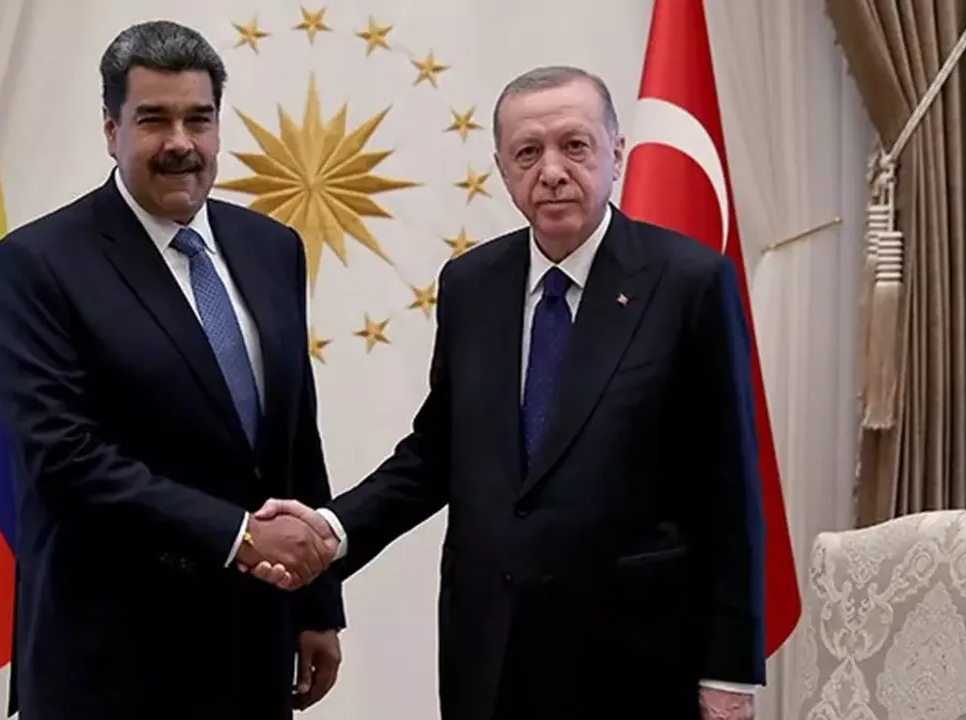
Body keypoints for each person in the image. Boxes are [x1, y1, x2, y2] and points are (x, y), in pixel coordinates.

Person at [253, 66, 765, 720]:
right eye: (527, 153)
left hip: (635, 659)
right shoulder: (472, 284)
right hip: (490, 657)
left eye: (574, 146)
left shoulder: (691, 282)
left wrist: (730, 673)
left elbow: (728, 490)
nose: (551, 171)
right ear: (501, 169)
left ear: (616, 153)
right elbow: (435, 455)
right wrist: (330, 530)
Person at [0, 20, 344, 719]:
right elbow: (62, 456)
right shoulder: (39, 263)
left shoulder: (271, 247)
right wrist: (240, 536)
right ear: (112, 131)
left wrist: (317, 603)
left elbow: (293, 435)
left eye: (198, 119)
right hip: (108, 657)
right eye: (154, 120)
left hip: (250, 645)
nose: (181, 142)